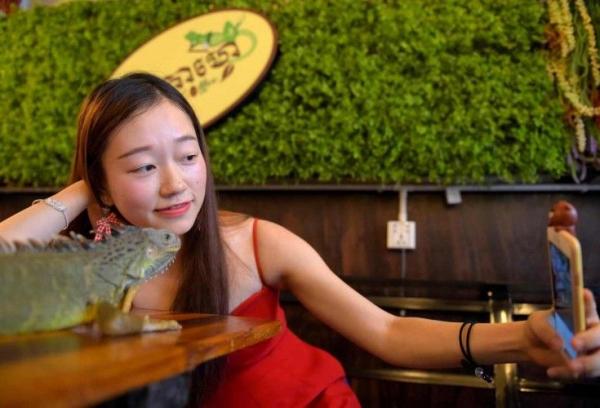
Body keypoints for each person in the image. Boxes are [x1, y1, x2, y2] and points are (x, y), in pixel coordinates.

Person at [1, 72, 599, 407]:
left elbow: (388, 333)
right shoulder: (95, 268)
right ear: (100, 181)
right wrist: (81, 193)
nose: (176, 183)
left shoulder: (259, 243)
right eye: (142, 166)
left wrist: (523, 338)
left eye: (188, 155)